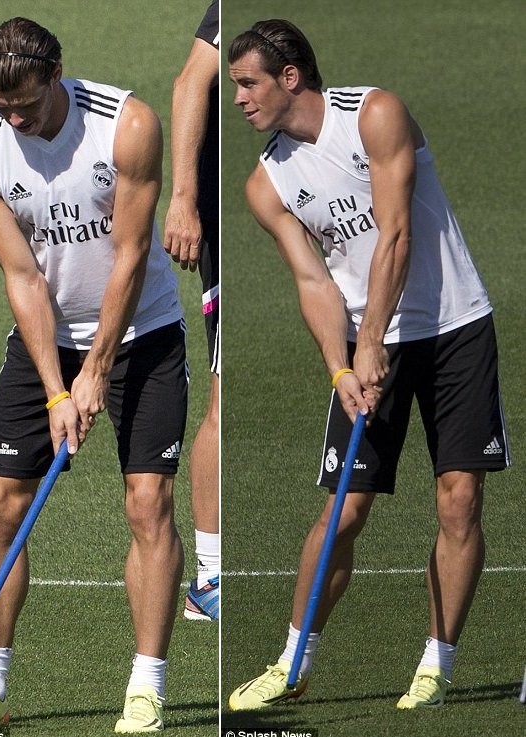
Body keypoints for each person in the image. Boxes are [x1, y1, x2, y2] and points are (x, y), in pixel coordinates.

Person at [226, 19, 510, 712]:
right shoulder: (265, 185)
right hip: (363, 344)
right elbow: (314, 281)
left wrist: (372, 338)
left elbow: (396, 232)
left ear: (289, 77)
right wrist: (338, 366)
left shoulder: (374, 115)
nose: (237, 98)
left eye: (247, 83)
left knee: (458, 499)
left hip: (453, 329)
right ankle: (293, 661)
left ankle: (434, 666)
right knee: (344, 511)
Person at [0, 17, 188, 733]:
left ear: (56, 74)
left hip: (143, 333)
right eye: (0, 104)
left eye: (26, 104)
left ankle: (146, 686)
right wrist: (56, 385)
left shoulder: (128, 126)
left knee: (147, 503)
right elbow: (22, 275)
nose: (13, 117)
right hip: (45, 336)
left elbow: (132, 254)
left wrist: (96, 371)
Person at [164, 0, 220, 622]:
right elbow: (190, 82)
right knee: (224, 395)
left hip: (306, 199)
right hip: (230, 217)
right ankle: (211, 578)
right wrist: (183, 199)